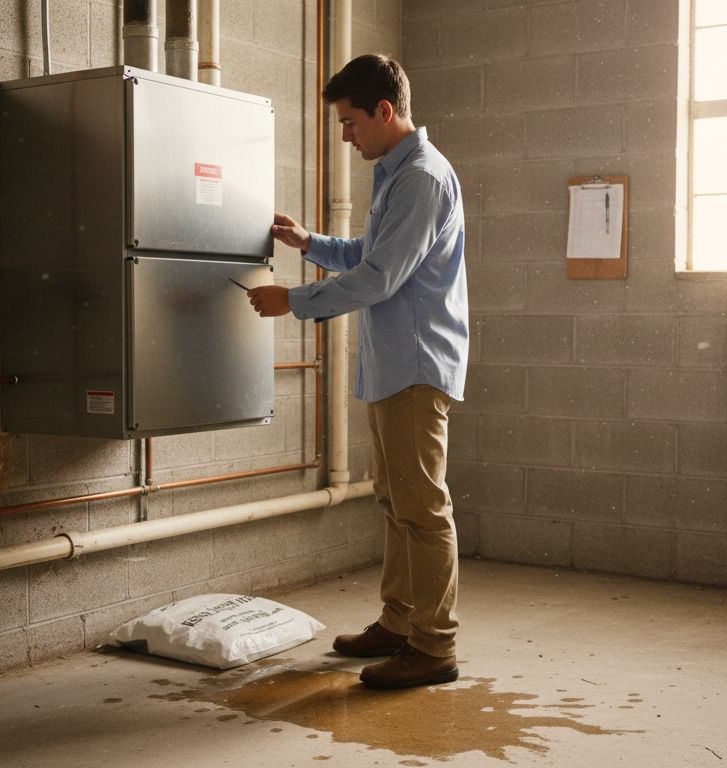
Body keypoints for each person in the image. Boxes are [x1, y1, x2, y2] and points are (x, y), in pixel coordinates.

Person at [245, 53, 468, 690]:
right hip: (392, 364)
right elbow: (370, 255)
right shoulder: (396, 171)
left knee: (423, 509)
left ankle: (434, 645)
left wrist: (293, 300)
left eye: (349, 123)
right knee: (395, 500)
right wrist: (310, 243)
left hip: (416, 366)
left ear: (384, 111)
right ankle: (399, 624)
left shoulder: (422, 177)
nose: (345, 136)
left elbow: (380, 278)